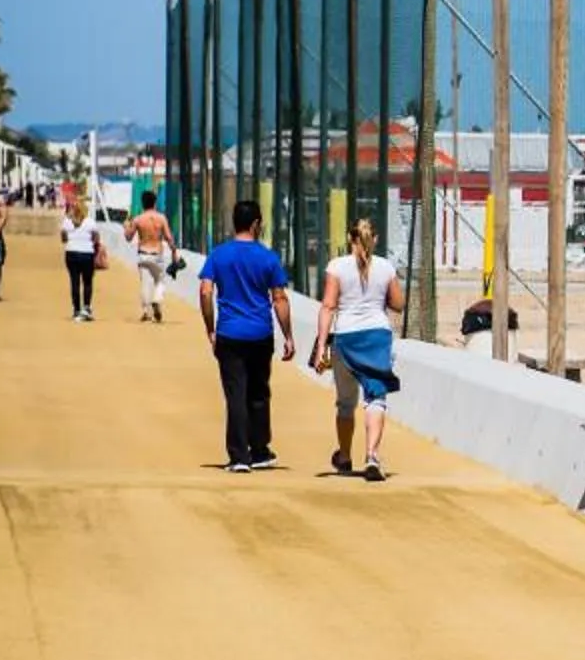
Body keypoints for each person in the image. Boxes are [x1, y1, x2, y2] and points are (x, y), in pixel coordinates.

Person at [197, 198, 295, 473]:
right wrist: (288, 336)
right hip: (260, 334)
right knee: (259, 392)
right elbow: (280, 299)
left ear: (235, 223)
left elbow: (205, 291)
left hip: (229, 334)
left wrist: (210, 328)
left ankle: (239, 456)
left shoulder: (219, 255)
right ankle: (260, 450)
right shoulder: (268, 257)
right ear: (256, 224)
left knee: (235, 394)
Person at [311, 215, 403, 481]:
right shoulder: (385, 267)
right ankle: (372, 456)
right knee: (376, 397)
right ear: (374, 239)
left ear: (350, 239)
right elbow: (398, 303)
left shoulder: (337, 267)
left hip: (346, 337)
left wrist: (320, 347)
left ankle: (344, 455)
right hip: (377, 336)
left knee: (345, 402)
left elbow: (328, 306)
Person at [127, 198, 179, 322]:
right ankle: (156, 299)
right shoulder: (161, 218)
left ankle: (147, 312)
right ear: (155, 203)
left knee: (145, 283)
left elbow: (128, 237)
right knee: (160, 280)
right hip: (157, 254)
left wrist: (127, 226)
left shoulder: (138, 219)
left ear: (143, 204)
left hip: (143, 254)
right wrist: (174, 250)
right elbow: (168, 237)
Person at [60, 196, 102, 321]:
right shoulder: (90, 222)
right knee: (87, 282)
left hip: (71, 253)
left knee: (74, 281)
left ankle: (76, 310)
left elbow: (63, 239)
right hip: (86, 254)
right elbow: (96, 238)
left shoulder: (67, 222)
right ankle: (86, 308)